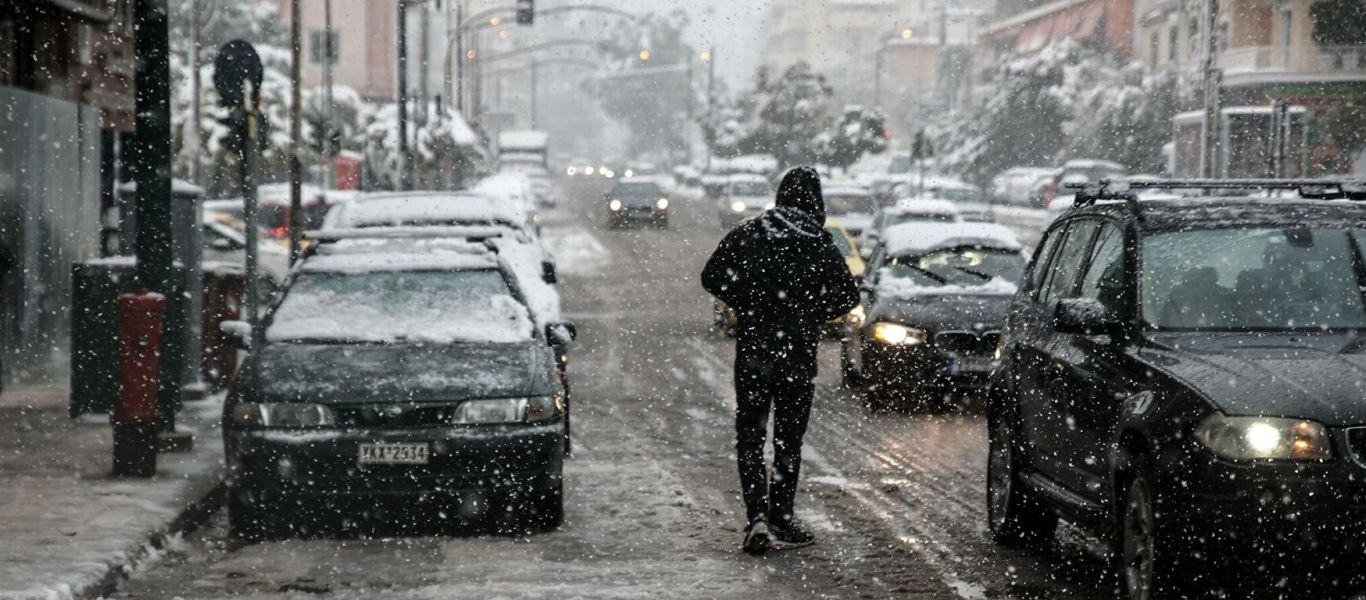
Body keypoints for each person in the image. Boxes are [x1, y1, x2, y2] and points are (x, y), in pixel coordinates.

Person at [701, 166, 859, 555]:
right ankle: (781, 517)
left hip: (754, 353)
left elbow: (711, 276)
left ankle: (756, 515)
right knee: (789, 439)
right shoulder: (819, 244)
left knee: (751, 436)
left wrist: (749, 302)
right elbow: (848, 297)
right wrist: (809, 314)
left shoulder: (750, 233)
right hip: (797, 358)